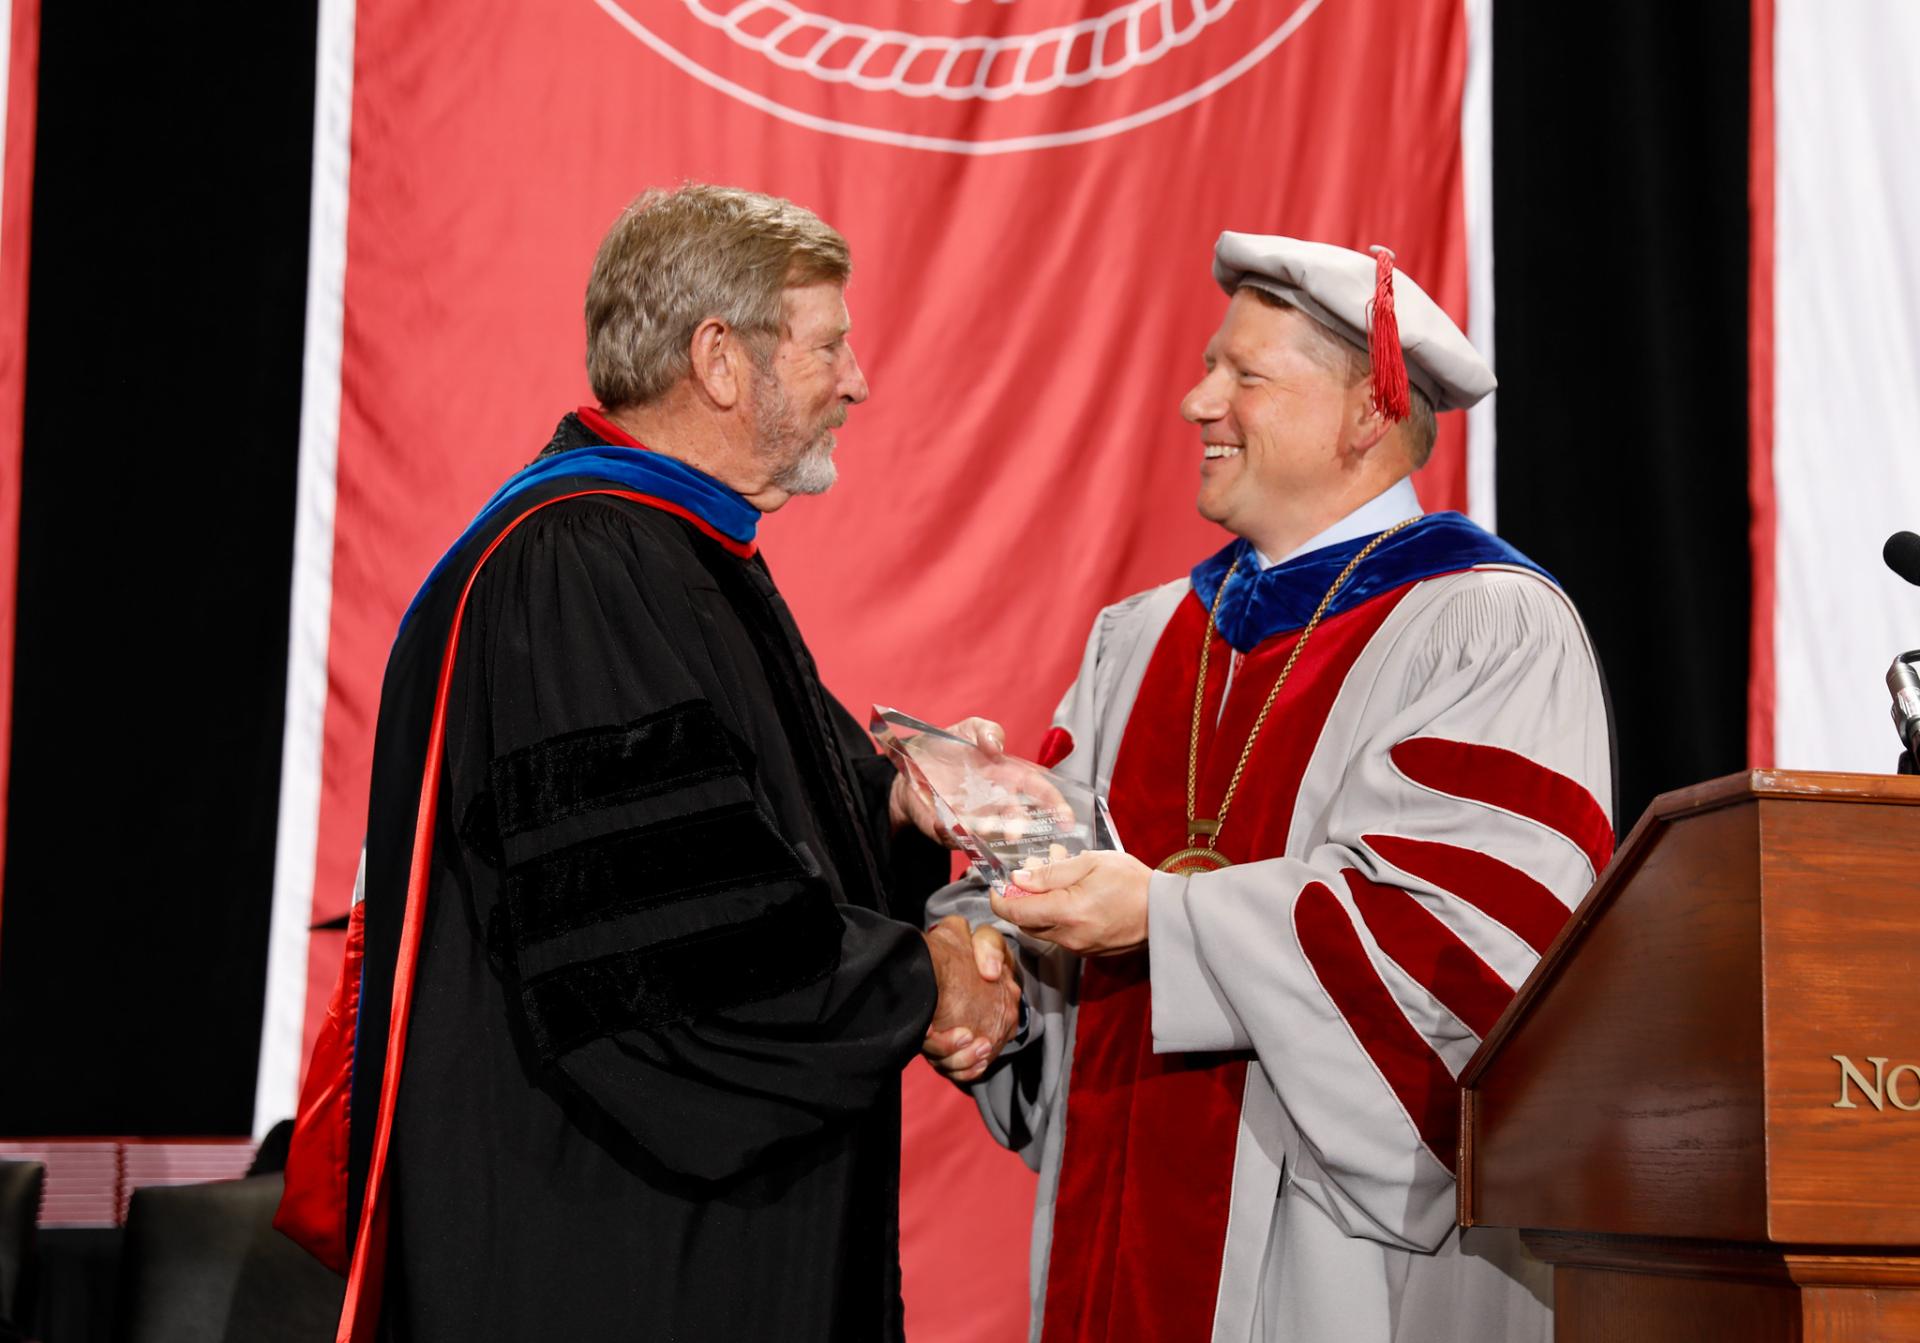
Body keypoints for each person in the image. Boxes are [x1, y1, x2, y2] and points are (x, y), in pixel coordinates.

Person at [304, 184, 1017, 1342]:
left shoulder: (664, 550)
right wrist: (924, 980)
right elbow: (669, 956)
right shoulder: (584, 565)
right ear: (721, 359)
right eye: (830, 343)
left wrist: (904, 807)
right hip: (610, 1251)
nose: (858, 380)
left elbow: (740, 846)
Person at [928, 234, 1614, 1341]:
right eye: (1209, 366)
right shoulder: (1145, 636)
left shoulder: (1484, 626)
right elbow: (1058, 860)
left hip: (1337, 1257)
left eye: (1245, 375)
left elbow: (1457, 951)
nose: (1199, 400)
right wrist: (991, 952)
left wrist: (1165, 913)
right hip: (1120, 1205)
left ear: (1365, 413)